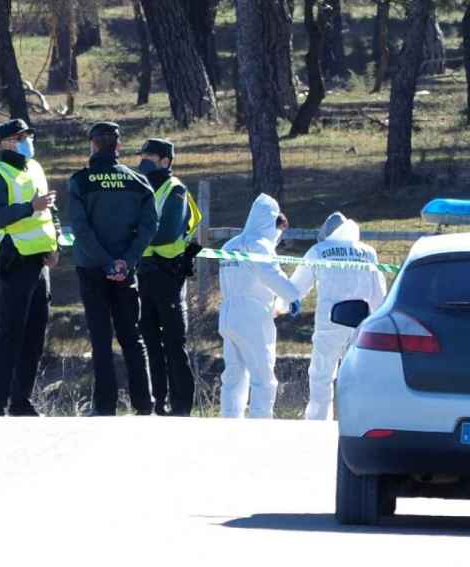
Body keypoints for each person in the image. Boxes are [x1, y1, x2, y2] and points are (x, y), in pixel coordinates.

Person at [66, 121, 158, 416]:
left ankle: (104, 407)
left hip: (93, 269)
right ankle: (145, 404)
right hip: (125, 269)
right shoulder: (139, 181)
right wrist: (126, 260)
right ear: (118, 146)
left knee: (101, 338)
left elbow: (80, 228)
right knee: (132, 337)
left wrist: (106, 262)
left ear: (93, 145)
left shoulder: (80, 181)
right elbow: (148, 226)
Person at [0, 118, 59, 416]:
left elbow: (50, 209)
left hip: (40, 260)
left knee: (36, 335)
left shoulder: (34, 168)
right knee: (11, 333)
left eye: (28, 135)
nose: (27, 140)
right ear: (5, 142)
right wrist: (30, 207)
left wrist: (55, 244)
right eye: (20, 136)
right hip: (16, 259)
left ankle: (21, 401)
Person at [291, 212, 387, 420]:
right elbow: (379, 292)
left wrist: (281, 305)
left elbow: (297, 287)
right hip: (361, 324)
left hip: (330, 323)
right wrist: (379, 320)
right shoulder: (368, 253)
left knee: (321, 375)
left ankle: (318, 421)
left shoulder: (319, 251)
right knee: (358, 375)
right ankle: (358, 421)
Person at [218, 194, 300, 418]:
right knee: (263, 377)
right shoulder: (260, 245)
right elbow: (271, 275)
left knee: (234, 375)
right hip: (252, 316)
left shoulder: (230, 244)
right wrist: (292, 296)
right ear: (271, 223)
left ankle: (229, 422)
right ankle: (261, 424)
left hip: (227, 314)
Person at [136, 138, 202, 416]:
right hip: (145, 273)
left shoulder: (175, 190)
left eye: (150, 156)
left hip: (168, 274)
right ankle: (157, 402)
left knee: (174, 344)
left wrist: (135, 237)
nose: (144, 160)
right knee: (150, 341)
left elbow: (167, 233)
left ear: (165, 160)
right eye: (143, 155)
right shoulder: (141, 188)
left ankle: (181, 406)